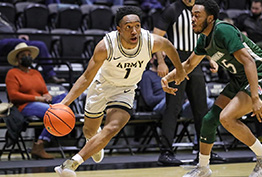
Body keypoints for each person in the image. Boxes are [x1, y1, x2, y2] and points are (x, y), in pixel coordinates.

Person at [53, 6, 187, 177]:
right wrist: (64, 103)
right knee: (89, 131)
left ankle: (71, 163)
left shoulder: (149, 41)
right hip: (102, 85)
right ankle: (93, 140)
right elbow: (86, 77)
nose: (134, 31)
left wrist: (178, 69)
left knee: (113, 126)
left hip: (125, 89)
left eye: (137, 26)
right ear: (119, 30)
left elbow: (168, 46)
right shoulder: (106, 46)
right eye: (128, 27)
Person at [161, 0, 262, 176]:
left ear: (210, 18)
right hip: (239, 79)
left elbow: (248, 61)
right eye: (192, 15)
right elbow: (188, 65)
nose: (192, 19)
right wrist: (168, 77)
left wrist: (255, 98)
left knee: (226, 118)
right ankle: (203, 168)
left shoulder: (223, 30)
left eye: (197, 15)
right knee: (209, 120)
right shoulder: (203, 38)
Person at [153, 0, 209, 165]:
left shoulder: (200, 10)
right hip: (176, 61)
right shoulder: (172, 9)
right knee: (173, 108)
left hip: (195, 61)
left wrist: (210, 58)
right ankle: (166, 152)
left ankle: (205, 152)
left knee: (201, 109)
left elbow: (203, 36)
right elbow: (156, 36)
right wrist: (161, 62)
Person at [5, 43, 67, 159]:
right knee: (56, 113)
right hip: (25, 106)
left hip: (42, 103)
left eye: (29, 54)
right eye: (23, 55)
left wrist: (47, 95)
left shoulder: (36, 73)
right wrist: (37, 98)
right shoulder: (12, 73)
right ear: (18, 59)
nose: (27, 57)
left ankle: (40, 144)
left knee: (65, 96)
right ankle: (39, 144)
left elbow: (44, 91)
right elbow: (13, 96)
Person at [0, 13, 65, 84]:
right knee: (20, 42)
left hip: (12, 42)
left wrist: (18, 36)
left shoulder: (3, 17)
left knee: (40, 45)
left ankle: (50, 76)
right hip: (2, 42)